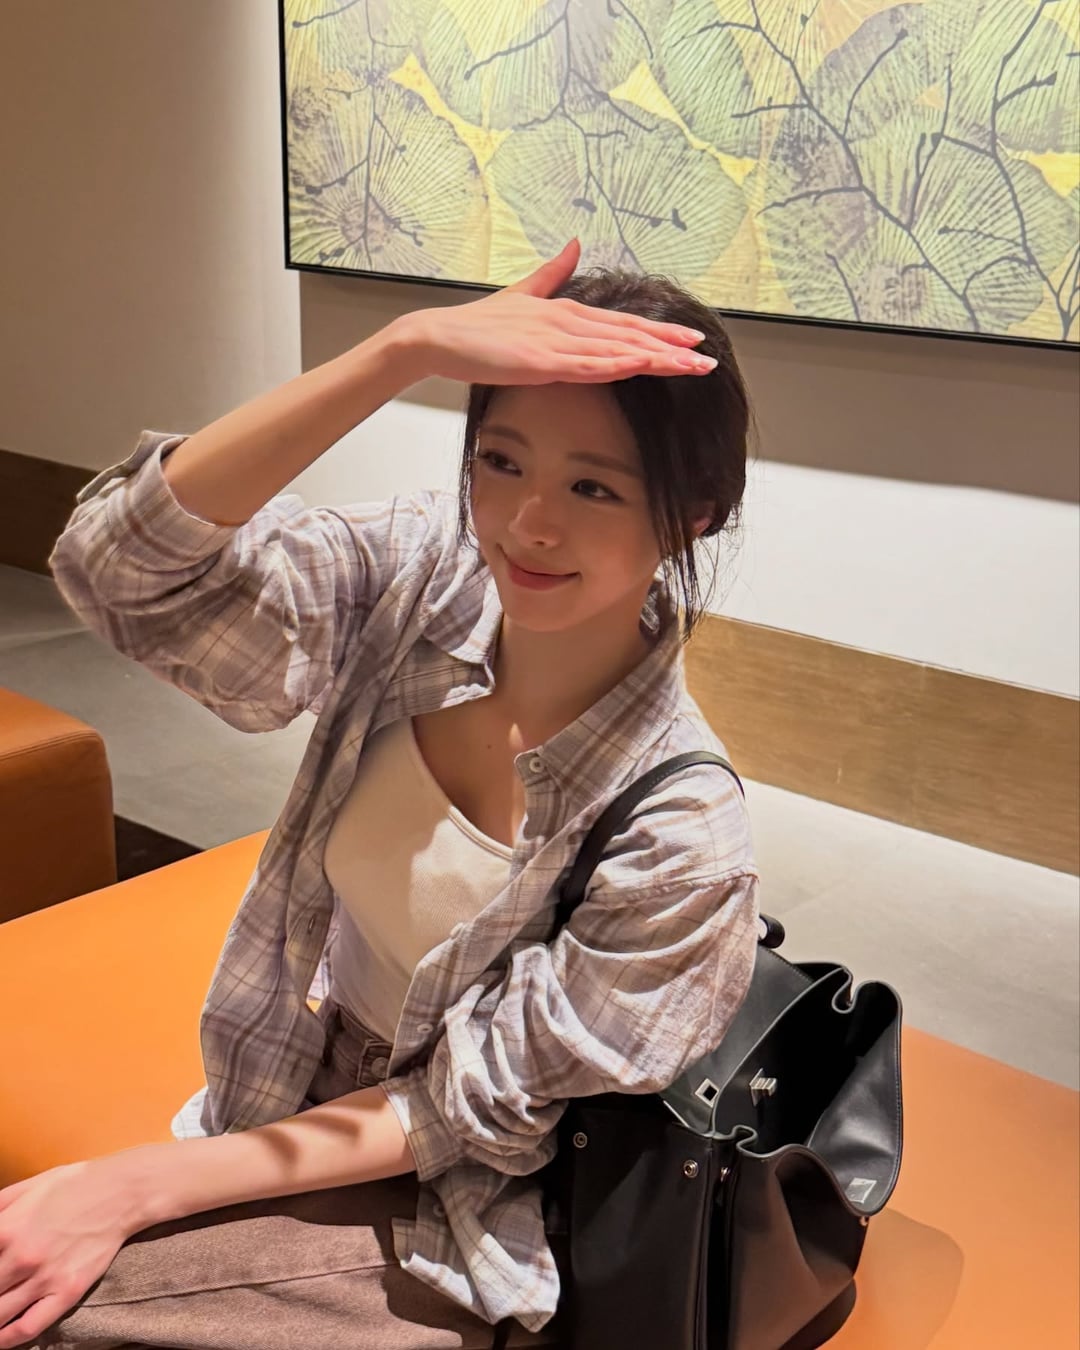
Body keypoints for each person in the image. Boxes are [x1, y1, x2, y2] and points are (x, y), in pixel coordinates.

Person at [0, 239, 760, 1350]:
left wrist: (137, 1181)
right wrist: (396, 352)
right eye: (501, 461)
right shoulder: (424, 579)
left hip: (471, 1207)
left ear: (691, 513)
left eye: (593, 486)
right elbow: (120, 570)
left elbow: (467, 1109)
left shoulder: (680, 830)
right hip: (287, 1093)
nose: (528, 524)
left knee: (52, 1314)